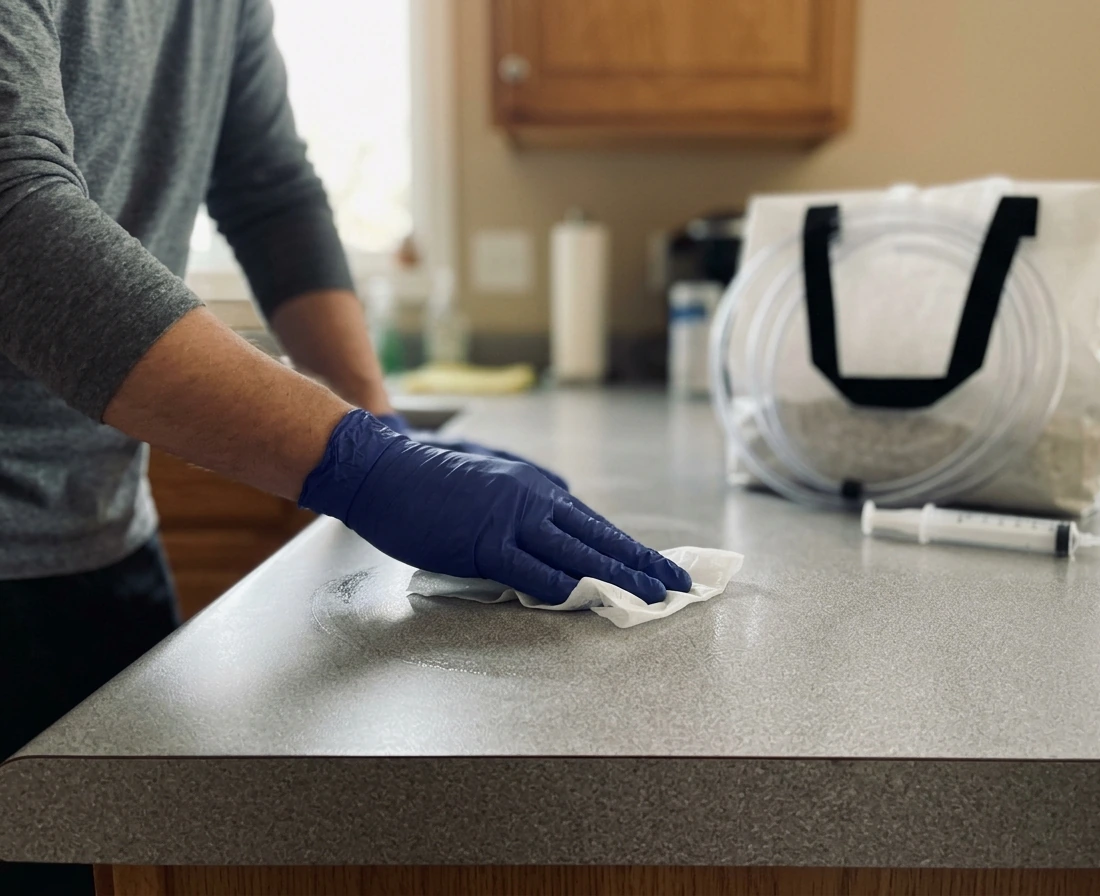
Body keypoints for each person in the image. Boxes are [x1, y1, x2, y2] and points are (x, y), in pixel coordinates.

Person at [0, 0, 691, 890]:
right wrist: (365, 465)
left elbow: (270, 192)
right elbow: (15, 216)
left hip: (103, 541)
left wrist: (380, 424)